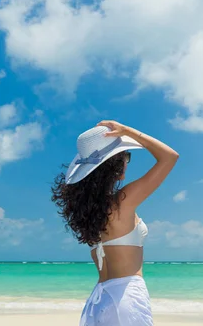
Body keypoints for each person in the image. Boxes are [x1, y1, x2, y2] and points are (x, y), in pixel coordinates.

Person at [51, 120, 179, 326]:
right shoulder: (121, 203)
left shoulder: (89, 214)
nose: (127, 162)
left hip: (98, 301)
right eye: (125, 156)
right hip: (125, 297)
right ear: (114, 164)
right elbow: (169, 157)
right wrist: (129, 131)